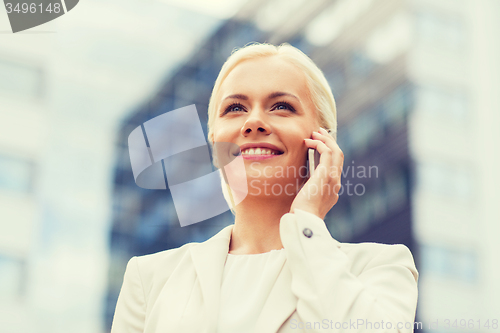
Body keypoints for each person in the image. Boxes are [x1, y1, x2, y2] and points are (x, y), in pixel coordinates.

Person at [111, 43, 418, 333]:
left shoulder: (377, 267)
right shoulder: (150, 278)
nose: (254, 122)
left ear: (322, 141)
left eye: (281, 106)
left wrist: (307, 218)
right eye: (235, 108)